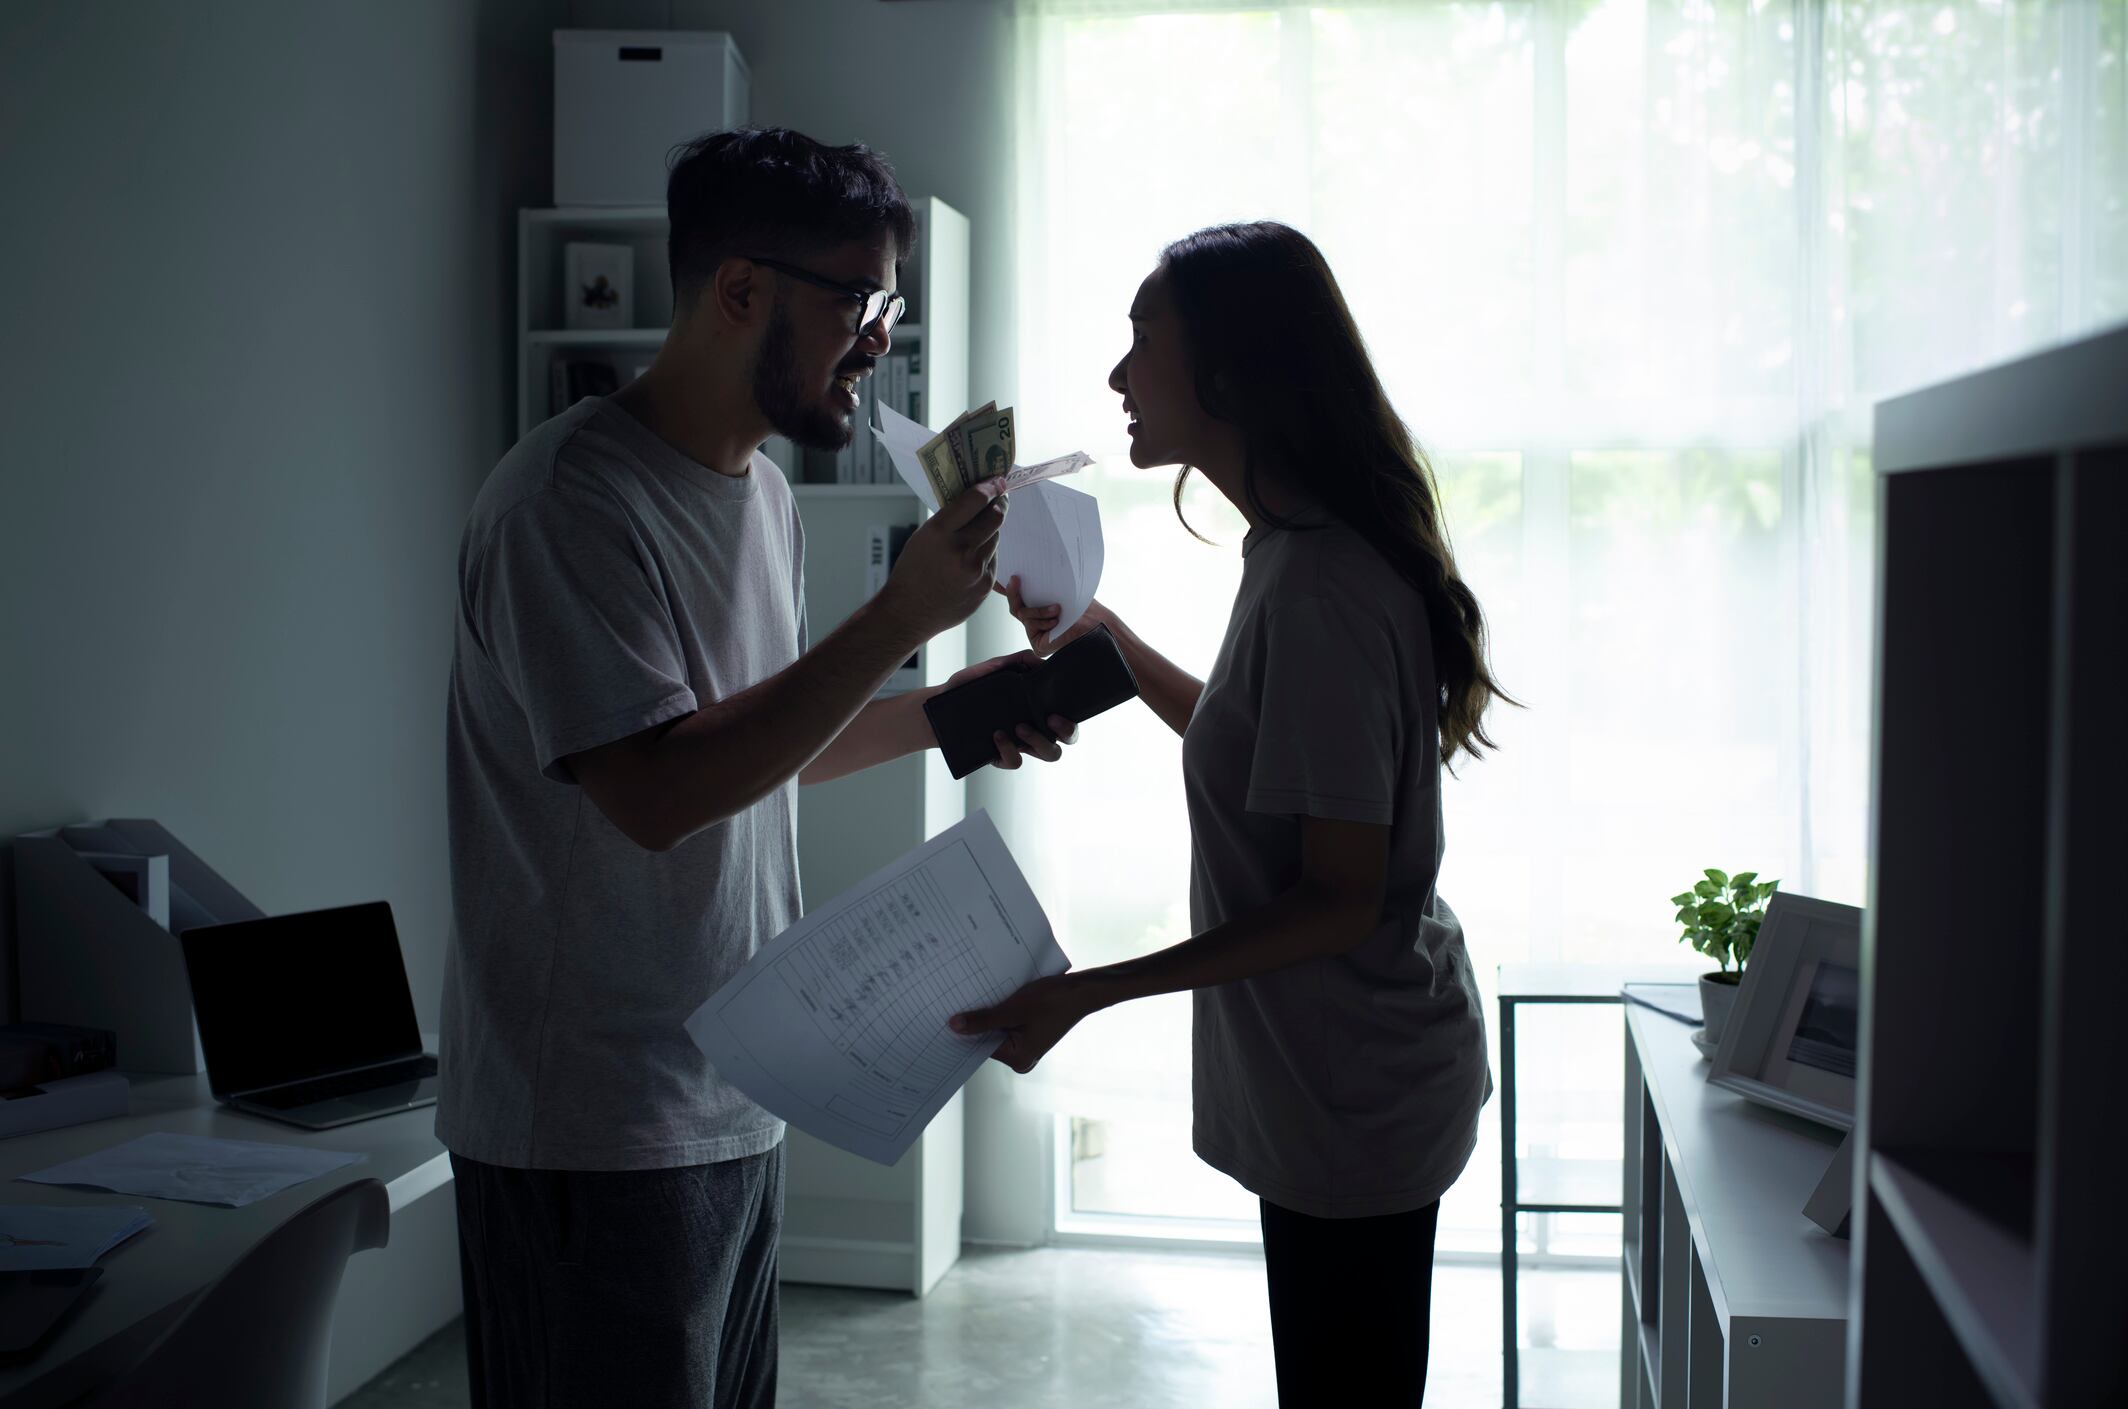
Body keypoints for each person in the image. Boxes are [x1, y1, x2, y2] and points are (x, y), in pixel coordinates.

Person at [439, 127, 1077, 1409]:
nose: (878, 340)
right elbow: (657, 793)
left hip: (732, 1080)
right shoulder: (568, 501)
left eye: (886, 307)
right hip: (589, 1119)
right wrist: (896, 617)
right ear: (739, 289)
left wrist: (941, 711)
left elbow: (752, 750)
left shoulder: (765, 494)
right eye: (857, 301)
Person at [951, 221, 1513, 1406]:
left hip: (1354, 1087)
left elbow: (1337, 898)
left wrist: (1085, 991)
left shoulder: (1318, 582)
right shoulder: (1291, 551)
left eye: (1141, 339)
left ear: (1230, 367)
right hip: (1338, 1071)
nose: (1117, 374)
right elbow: (1260, 745)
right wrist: (1103, 637)